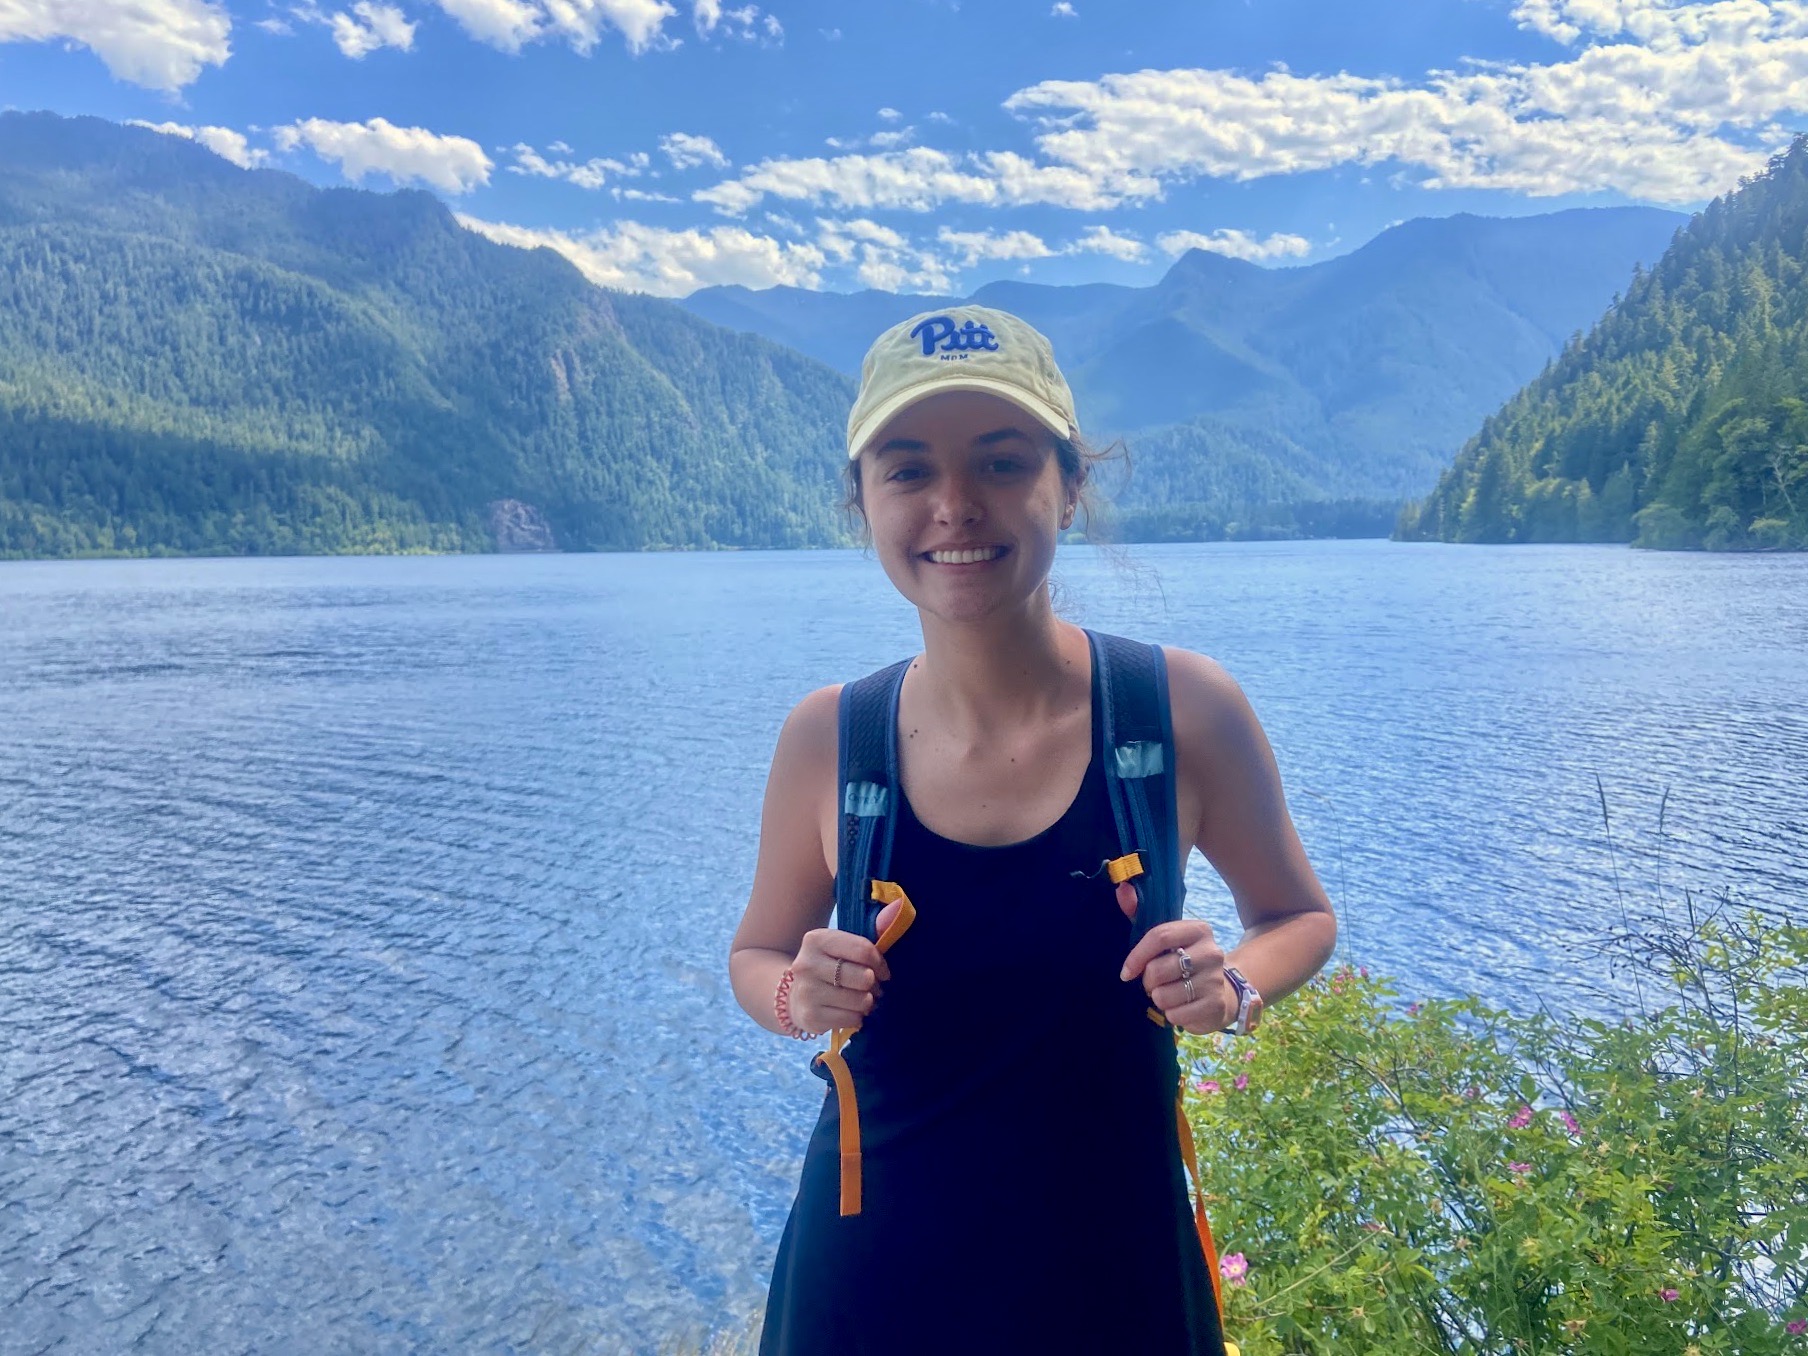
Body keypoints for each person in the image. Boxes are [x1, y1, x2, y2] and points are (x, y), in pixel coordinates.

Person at [728, 305, 1338, 1355]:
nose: (954, 505)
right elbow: (754, 954)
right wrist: (793, 993)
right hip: (869, 1281)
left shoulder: (1178, 714)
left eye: (1002, 463)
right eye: (907, 470)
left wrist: (1231, 987)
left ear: (1068, 483)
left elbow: (1296, 916)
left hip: (1112, 1268)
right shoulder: (830, 738)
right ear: (863, 502)